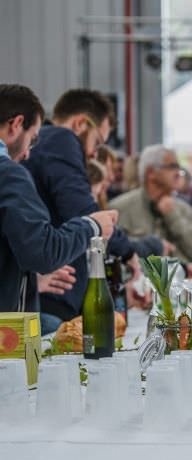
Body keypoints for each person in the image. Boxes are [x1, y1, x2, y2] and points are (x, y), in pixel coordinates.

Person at [0, 84, 116, 315]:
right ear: (15, 124)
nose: (27, 154)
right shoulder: (8, 174)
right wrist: (92, 226)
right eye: (32, 140)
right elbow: (43, 252)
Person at [24, 89, 140, 321]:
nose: (93, 154)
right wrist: (127, 252)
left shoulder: (41, 144)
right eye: (97, 143)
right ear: (80, 123)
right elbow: (83, 212)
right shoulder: (61, 139)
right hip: (53, 299)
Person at [110, 145, 192, 264]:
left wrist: (173, 216)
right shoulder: (120, 208)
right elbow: (114, 257)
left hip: (181, 281)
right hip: (138, 281)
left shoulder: (184, 209)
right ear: (151, 172)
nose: (179, 173)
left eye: (179, 167)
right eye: (172, 167)